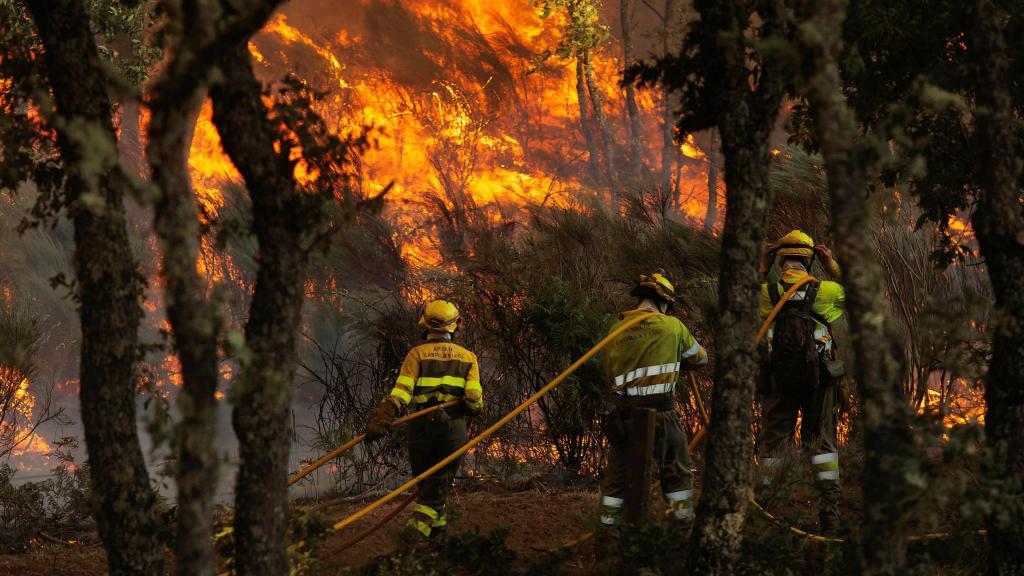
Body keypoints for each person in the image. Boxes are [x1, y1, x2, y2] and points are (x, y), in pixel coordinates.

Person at [598, 270, 709, 530]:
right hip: (662, 414)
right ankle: (680, 530)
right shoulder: (673, 327)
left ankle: (608, 533)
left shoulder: (615, 330)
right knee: (677, 472)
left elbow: (607, 372)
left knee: (617, 479)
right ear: (664, 302)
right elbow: (701, 359)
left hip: (625, 417)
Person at [364, 299, 482, 539]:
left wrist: (384, 416)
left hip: (421, 424)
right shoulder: (468, 357)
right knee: (437, 481)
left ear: (426, 325)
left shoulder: (416, 354)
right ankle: (418, 534)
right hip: (453, 426)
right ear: (456, 326)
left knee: (426, 480)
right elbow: (473, 398)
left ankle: (434, 533)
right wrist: (476, 409)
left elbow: (402, 392)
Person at [757, 229, 846, 532]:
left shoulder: (766, 293)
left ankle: (769, 511)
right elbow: (860, 292)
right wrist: (831, 263)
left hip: (778, 379)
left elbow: (739, 295)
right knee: (823, 443)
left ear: (780, 259)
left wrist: (762, 265)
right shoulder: (827, 291)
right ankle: (829, 513)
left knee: (774, 446)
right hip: (818, 380)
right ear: (810, 261)